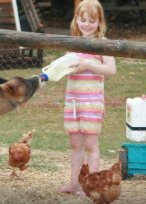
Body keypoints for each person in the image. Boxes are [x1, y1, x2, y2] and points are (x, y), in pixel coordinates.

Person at [59, 0, 116, 195]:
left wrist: (89, 65)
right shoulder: (73, 43)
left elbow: (111, 70)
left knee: (91, 144)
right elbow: (65, 68)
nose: (87, 24)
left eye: (92, 20)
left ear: (99, 22)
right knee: (75, 143)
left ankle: (91, 185)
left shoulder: (103, 44)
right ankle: (74, 182)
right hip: (73, 101)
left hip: (92, 102)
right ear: (76, 19)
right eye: (83, 19)